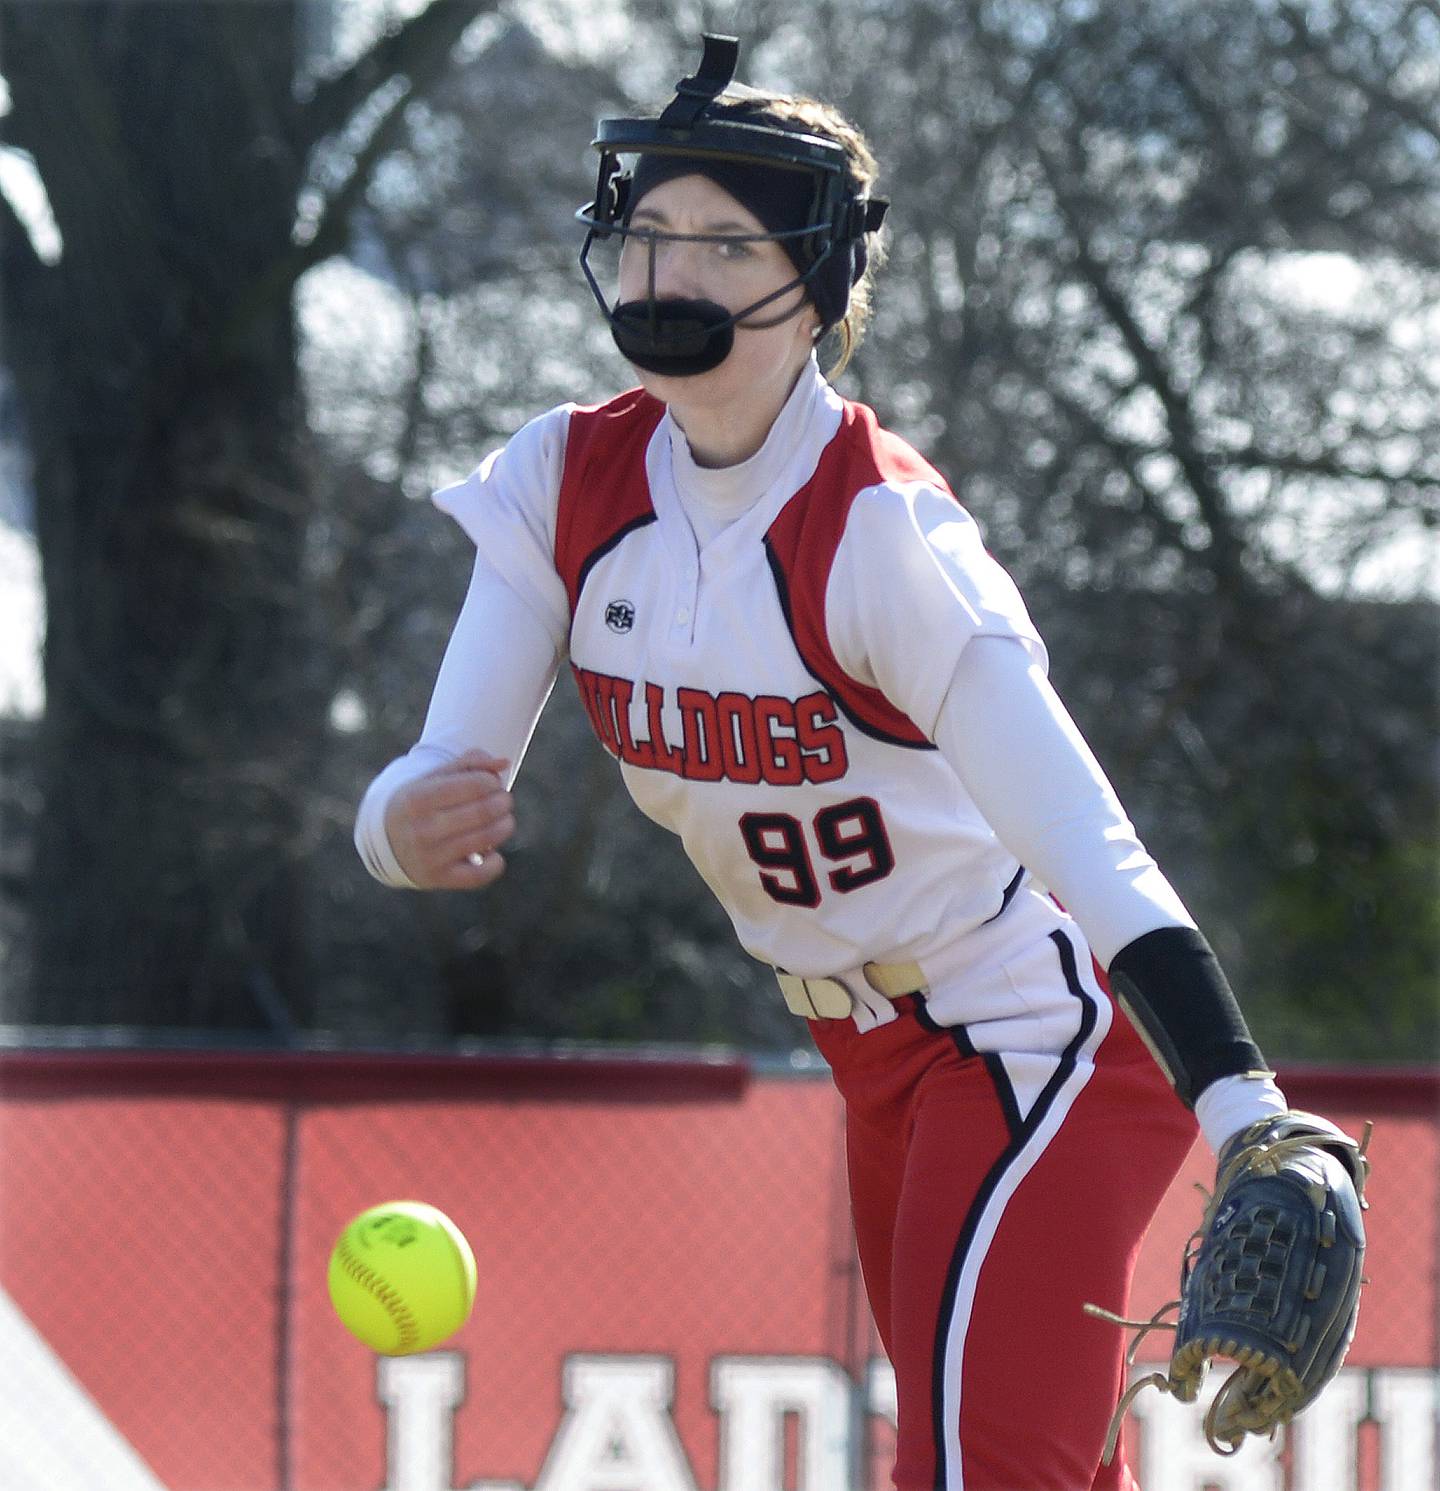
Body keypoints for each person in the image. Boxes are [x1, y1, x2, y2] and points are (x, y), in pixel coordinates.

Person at [355, 35, 1303, 1490]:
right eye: (652, 232)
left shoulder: (882, 538)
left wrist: (1244, 1107)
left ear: (815, 287)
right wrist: (388, 827)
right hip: (877, 1057)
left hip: (1034, 1037)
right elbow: (435, 768)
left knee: (975, 1473)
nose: (672, 271)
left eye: (723, 244)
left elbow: (1087, 842)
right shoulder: (565, 478)